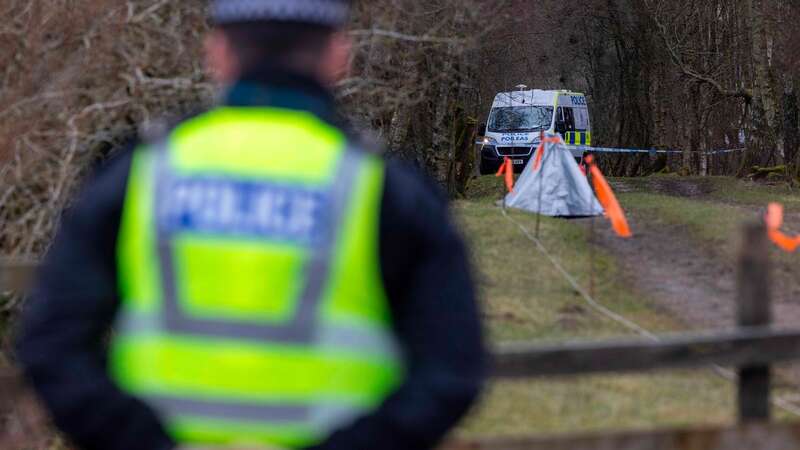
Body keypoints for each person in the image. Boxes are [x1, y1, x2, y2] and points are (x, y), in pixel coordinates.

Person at [15, 1, 486, 449]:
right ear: (339, 56)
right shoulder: (386, 189)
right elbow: (451, 371)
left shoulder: (140, 174)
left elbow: (51, 344)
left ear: (217, 53)